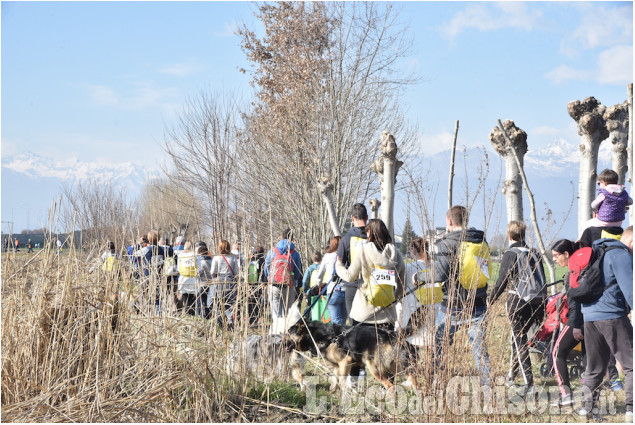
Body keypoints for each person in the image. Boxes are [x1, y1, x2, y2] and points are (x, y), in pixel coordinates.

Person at [429, 205, 491, 388]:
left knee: (439, 345)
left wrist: (420, 277)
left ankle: (436, 384)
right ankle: (488, 392)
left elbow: (439, 275)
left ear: (449, 221)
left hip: (452, 306)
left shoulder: (447, 243)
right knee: (480, 350)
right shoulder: (481, 241)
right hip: (478, 303)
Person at [579, 228, 633, 420]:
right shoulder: (620, 255)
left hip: (589, 316)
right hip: (612, 316)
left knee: (594, 367)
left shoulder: (594, 252)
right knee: (631, 365)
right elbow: (631, 291)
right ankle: (631, 409)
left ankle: (586, 407)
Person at [488, 221, 547, 397]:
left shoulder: (510, 253)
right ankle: (512, 375)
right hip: (539, 302)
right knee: (519, 339)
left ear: (509, 236)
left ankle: (529, 384)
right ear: (524, 235)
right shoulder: (535, 253)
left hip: (518, 302)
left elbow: (502, 281)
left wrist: (490, 301)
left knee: (519, 340)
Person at [335, 218, 405, 326]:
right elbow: (402, 285)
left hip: (363, 314)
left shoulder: (363, 251)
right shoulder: (397, 255)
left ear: (370, 233)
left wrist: (338, 266)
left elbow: (349, 276)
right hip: (387, 315)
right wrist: (391, 298)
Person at [549, 239, 585, 407]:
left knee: (557, 353)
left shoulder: (573, 272)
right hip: (590, 319)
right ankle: (589, 397)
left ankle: (565, 394)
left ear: (566, 254)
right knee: (588, 357)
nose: (555, 260)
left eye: (556, 256)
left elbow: (576, 300)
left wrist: (576, 324)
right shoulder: (582, 267)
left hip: (577, 320)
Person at [264, 228, 303, 334]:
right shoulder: (294, 253)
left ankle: (276, 336)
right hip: (288, 286)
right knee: (288, 314)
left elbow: (266, 270)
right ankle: (286, 335)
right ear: (292, 238)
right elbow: (297, 271)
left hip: (273, 285)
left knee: (276, 315)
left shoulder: (272, 251)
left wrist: (270, 279)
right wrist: (293, 280)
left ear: (281, 236)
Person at [337, 202, 369, 324]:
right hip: (371, 285)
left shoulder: (346, 240)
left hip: (352, 285)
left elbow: (340, 262)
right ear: (367, 217)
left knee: (353, 324)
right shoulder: (373, 237)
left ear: (352, 218)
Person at [402, 237, 440, 332]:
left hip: (414, 309)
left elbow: (402, 287)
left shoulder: (410, 267)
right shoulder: (436, 265)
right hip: (434, 306)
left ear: (413, 250)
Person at [208, 240, 239, 328]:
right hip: (230, 281)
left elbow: (212, 271)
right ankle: (230, 319)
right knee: (228, 303)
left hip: (218, 281)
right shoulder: (233, 258)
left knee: (216, 303)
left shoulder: (217, 258)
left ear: (220, 247)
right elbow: (236, 272)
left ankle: (219, 323)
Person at [317, 237, 346, 325]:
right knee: (343, 322)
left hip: (333, 290)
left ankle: (339, 337)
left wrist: (319, 284)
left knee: (336, 323)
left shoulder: (327, 257)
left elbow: (319, 274)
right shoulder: (347, 256)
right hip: (346, 290)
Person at [302, 250, 326, 321]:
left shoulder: (310, 269)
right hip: (324, 290)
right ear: (321, 259)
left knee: (311, 307)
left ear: (313, 259)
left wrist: (306, 290)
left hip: (312, 291)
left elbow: (305, 281)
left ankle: (311, 320)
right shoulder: (324, 267)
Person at [176, 241, 198, 316]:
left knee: (185, 297)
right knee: (192, 298)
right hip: (192, 278)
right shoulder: (194, 255)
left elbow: (178, 268)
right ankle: (192, 314)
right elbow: (198, 266)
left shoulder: (180, 255)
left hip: (183, 278)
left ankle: (187, 313)